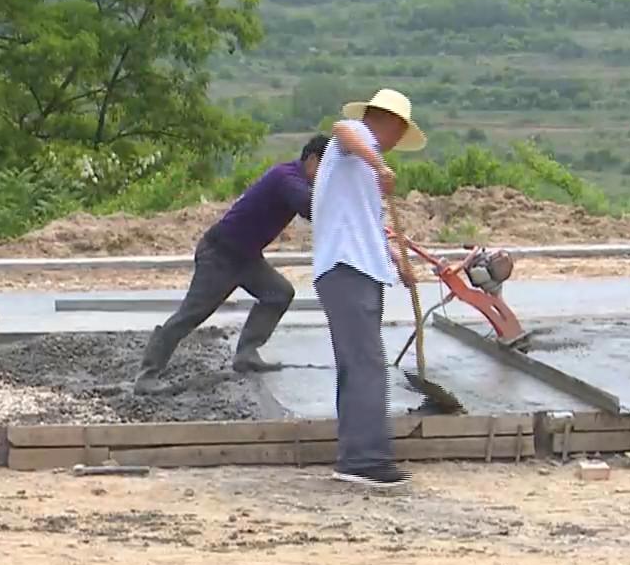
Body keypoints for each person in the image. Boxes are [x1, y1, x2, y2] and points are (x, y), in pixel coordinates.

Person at [135, 134, 331, 393]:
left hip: (246, 257)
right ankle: (147, 376)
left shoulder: (296, 180)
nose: (327, 177)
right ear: (313, 160)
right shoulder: (287, 177)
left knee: (278, 293)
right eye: (327, 169)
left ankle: (246, 353)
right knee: (191, 315)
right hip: (220, 254)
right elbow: (309, 207)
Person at [312, 88, 426, 490]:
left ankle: (358, 455)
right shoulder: (355, 143)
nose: (397, 144)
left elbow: (368, 224)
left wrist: (395, 259)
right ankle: (365, 459)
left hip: (358, 268)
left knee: (359, 364)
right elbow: (341, 128)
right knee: (366, 363)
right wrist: (378, 163)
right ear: (392, 123)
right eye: (399, 132)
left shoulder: (361, 168)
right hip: (347, 268)